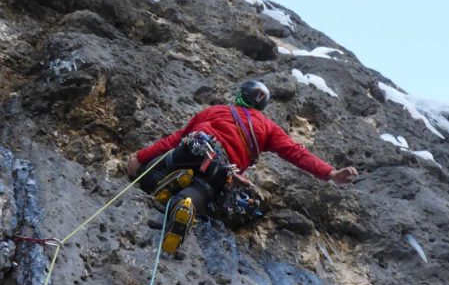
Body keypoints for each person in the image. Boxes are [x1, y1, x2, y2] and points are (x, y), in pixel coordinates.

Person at [126, 80, 358, 254]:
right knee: (203, 190)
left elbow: (176, 138)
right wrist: (331, 173)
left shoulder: (216, 111)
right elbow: (296, 153)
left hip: (194, 150)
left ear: (240, 95)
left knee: (152, 166)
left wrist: (140, 157)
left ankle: (167, 181)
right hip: (222, 169)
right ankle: (184, 204)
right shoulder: (268, 127)